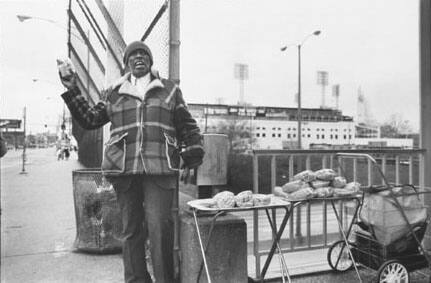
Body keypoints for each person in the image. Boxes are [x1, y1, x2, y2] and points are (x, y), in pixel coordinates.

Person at [59, 41, 204, 283]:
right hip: (124, 168)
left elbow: (187, 125)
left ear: (150, 61)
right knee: (130, 231)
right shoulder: (114, 93)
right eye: (133, 55)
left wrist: (192, 155)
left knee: (160, 229)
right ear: (126, 63)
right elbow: (90, 119)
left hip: (160, 168)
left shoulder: (169, 90)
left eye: (143, 54)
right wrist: (72, 89)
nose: (138, 57)